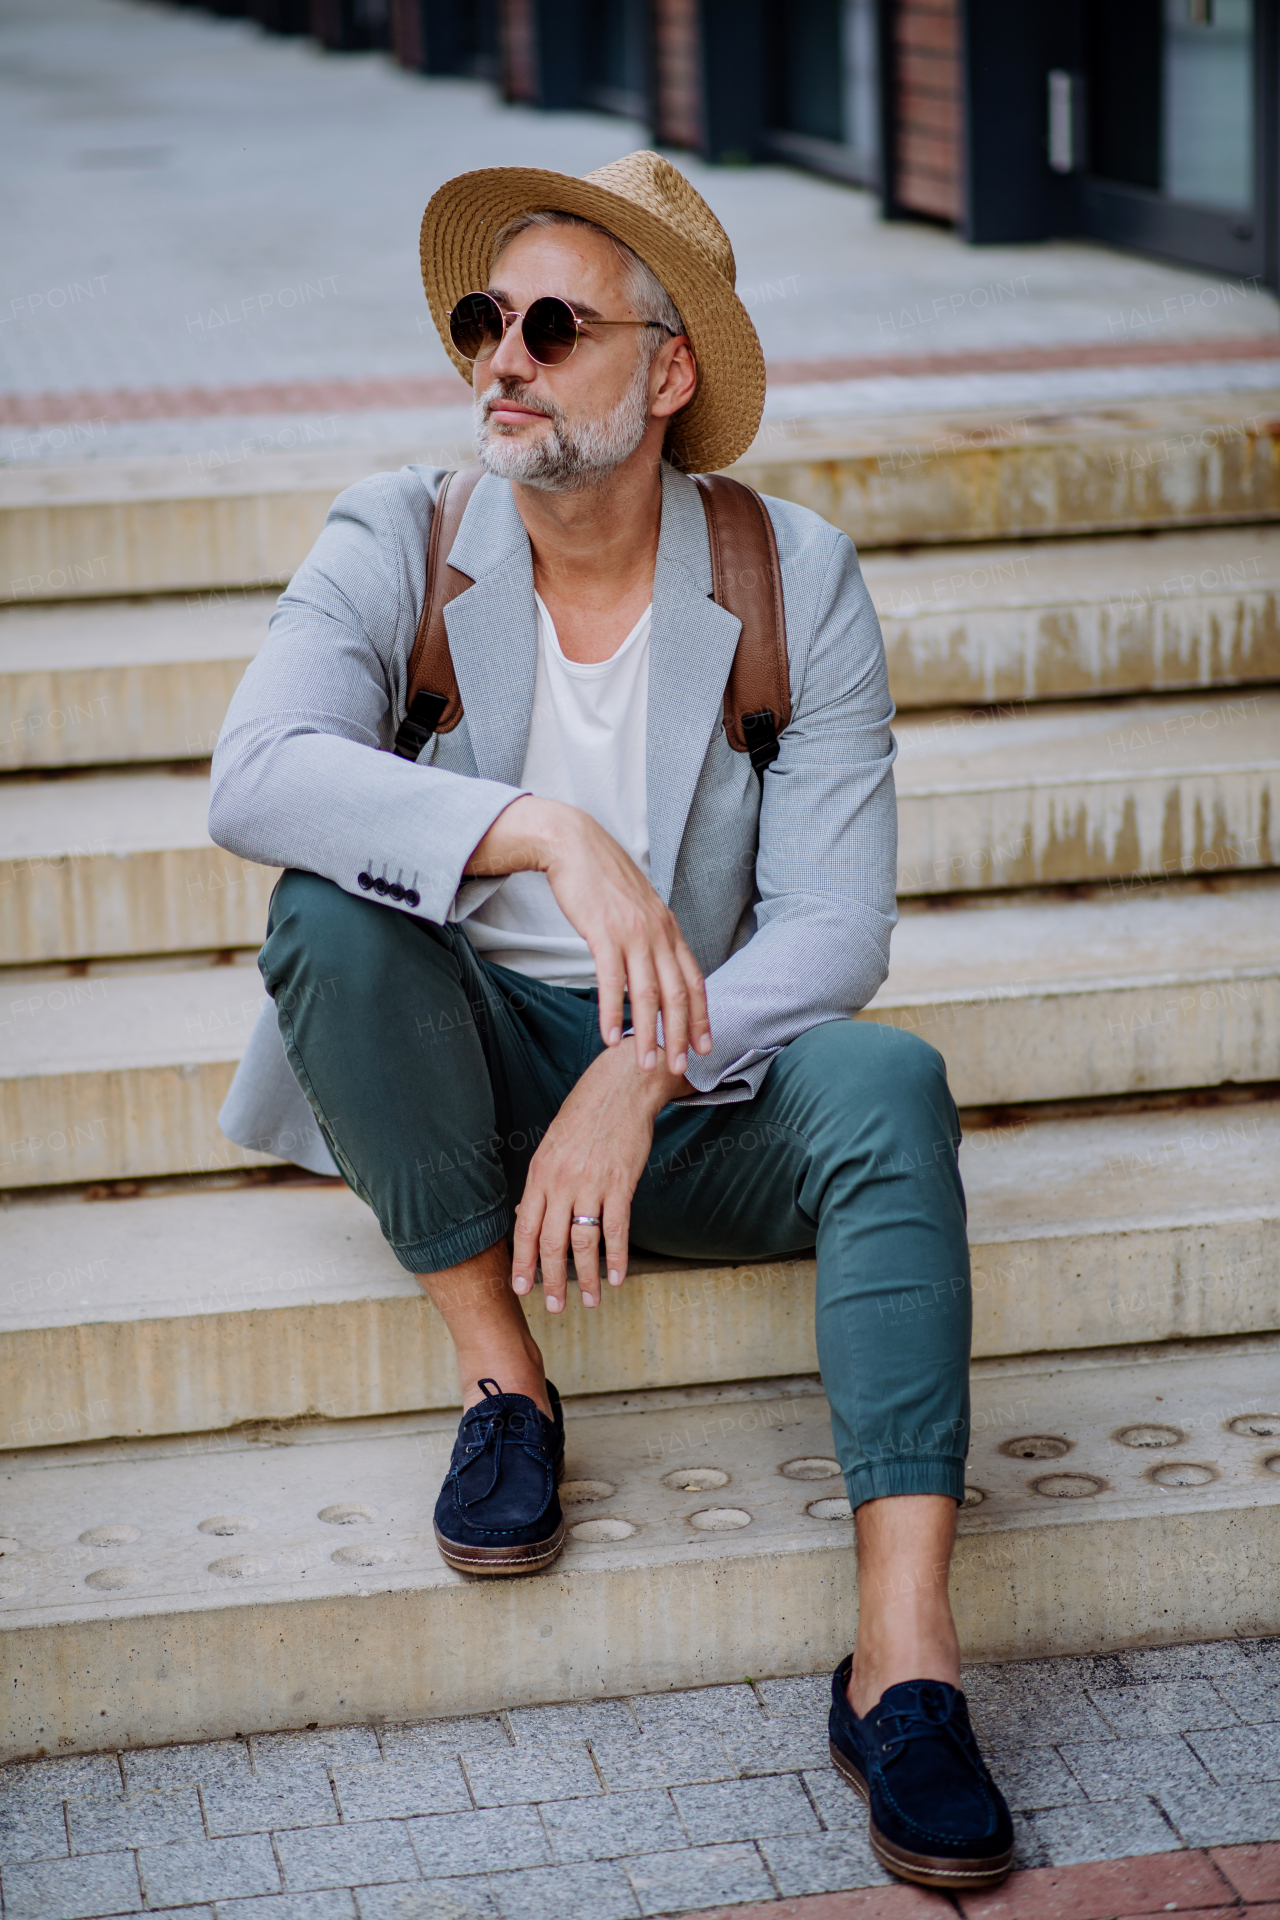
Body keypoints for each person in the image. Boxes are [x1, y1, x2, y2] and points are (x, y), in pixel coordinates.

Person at [210, 150, 1013, 1890]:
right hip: (457, 1069)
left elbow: (835, 929)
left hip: (689, 1088)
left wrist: (646, 1070)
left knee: (891, 1089)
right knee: (327, 927)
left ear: (664, 373)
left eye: (552, 323)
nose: (502, 355)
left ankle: (905, 1666)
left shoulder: (790, 577)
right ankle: (509, 1386)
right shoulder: (400, 534)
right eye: (481, 320)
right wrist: (543, 835)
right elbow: (254, 775)